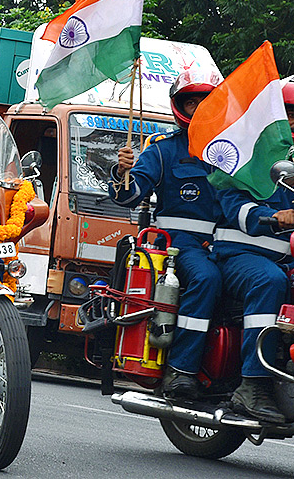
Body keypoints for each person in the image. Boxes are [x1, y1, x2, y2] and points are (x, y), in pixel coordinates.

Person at [109, 68, 224, 400]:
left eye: (207, 103)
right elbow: (129, 196)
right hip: (180, 244)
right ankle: (181, 370)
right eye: (193, 103)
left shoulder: (236, 151)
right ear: (180, 107)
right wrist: (123, 172)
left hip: (227, 243)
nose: (200, 110)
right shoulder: (163, 150)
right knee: (206, 278)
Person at [210, 80, 294, 423]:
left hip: (292, 260)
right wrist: (271, 217)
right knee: (269, 283)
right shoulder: (245, 159)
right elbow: (234, 208)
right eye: (290, 114)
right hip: (241, 258)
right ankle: (252, 383)